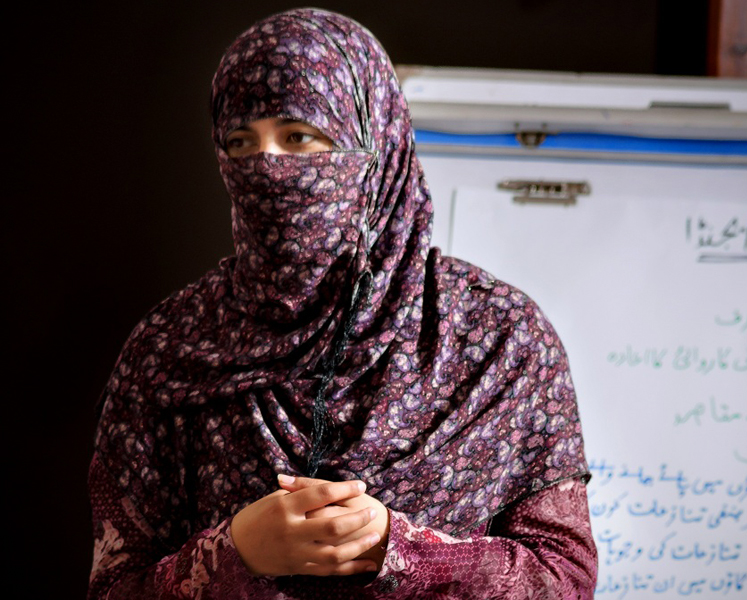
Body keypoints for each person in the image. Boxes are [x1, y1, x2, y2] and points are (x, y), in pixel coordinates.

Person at [88, 8, 597, 599]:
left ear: (376, 143)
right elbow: (113, 589)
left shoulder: (499, 340)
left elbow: (565, 579)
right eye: (240, 142)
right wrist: (235, 553)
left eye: (300, 136)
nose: (268, 165)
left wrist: (398, 552)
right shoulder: (171, 349)